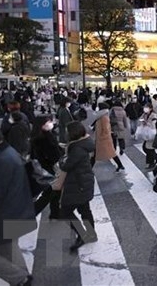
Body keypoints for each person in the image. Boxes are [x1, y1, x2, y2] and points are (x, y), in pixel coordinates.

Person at [0, 130, 35, 286]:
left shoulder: (4, 160)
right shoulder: (8, 152)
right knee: (8, 248)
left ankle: (21, 279)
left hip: (6, 213)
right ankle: (23, 279)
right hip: (15, 210)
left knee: (8, 247)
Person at [60, 121, 98, 252]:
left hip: (78, 183)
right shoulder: (84, 143)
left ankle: (82, 234)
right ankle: (91, 234)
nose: (65, 133)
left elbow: (66, 165)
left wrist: (62, 158)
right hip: (83, 181)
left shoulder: (76, 149)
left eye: (67, 131)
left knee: (66, 210)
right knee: (84, 209)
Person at [30, 115, 64, 218]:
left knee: (55, 190)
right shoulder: (43, 138)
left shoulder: (40, 135)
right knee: (50, 192)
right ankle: (33, 212)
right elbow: (53, 155)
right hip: (50, 169)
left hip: (47, 168)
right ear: (41, 125)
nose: (51, 124)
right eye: (48, 122)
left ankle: (55, 213)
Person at [92, 103, 125, 172]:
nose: (97, 108)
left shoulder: (104, 117)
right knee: (111, 153)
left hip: (103, 139)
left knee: (96, 155)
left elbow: (106, 129)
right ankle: (120, 165)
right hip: (102, 139)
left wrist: (102, 137)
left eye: (98, 107)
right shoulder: (101, 116)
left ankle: (88, 169)